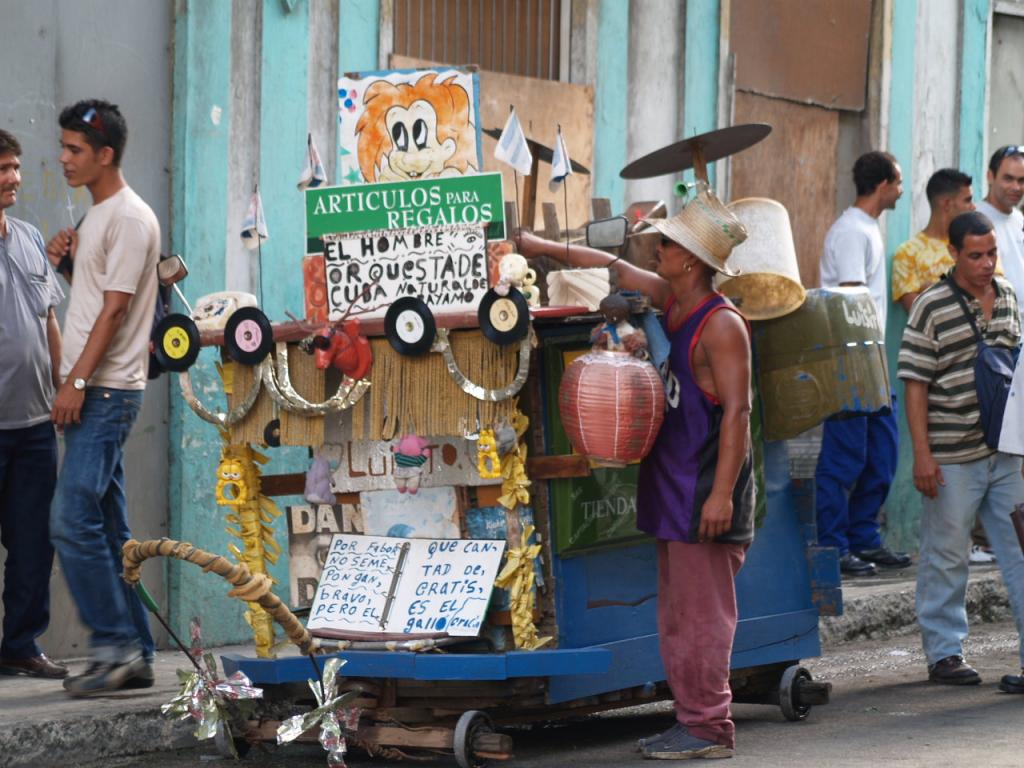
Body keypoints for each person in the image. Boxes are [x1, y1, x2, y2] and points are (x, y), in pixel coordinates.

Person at [517, 184, 754, 760]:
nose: (658, 250)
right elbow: (611, 266)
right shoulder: (672, 299)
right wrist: (536, 246)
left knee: (702, 618)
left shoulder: (722, 325)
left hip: (705, 488)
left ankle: (710, 728)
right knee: (676, 616)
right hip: (673, 482)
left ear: (691, 260)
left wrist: (722, 495)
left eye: (668, 245)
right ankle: (692, 720)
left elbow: (739, 414)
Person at [44, 100, 159, 697]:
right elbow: (97, 298)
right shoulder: (99, 217)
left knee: (69, 520)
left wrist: (76, 382)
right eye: (64, 147)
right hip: (96, 389)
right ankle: (135, 652)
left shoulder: (131, 218)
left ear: (105, 154)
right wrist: (67, 266)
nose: (64, 159)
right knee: (111, 531)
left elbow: (116, 314)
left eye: (75, 150)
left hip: (106, 392)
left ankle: (114, 645)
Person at [898, 210, 1024, 691]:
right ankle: (945, 653)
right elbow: (915, 382)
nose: (986, 263)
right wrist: (922, 455)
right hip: (951, 456)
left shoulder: (1008, 296)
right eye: (975, 255)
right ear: (952, 254)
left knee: (1021, 555)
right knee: (946, 556)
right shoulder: (930, 306)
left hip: (1006, 456)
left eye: (992, 253)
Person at [891, 168, 996, 565]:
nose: (973, 205)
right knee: (945, 510)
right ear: (947, 203)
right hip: (943, 401)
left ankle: (984, 542)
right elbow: (919, 312)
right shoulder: (909, 254)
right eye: (968, 199)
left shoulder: (983, 250)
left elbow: (993, 304)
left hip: (988, 400)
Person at [816, 151, 911, 577]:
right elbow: (850, 300)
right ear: (884, 184)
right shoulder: (852, 231)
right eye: (899, 182)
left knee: (881, 455)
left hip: (871, 360)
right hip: (850, 359)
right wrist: (861, 362)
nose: (901, 191)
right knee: (844, 458)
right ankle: (833, 546)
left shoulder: (867, 228)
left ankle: (864, 538)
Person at [0, 130, 68, 680]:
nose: (14, 178)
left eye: (16, 167)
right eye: (3, 169)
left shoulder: (27, 237)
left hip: (35, 425)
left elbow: (49, 320)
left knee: (32, 543)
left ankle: (20, 645)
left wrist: (65, 385)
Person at [975, 145, 1024, 303]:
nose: (1016, 187)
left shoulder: (1019, 218)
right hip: (998, 315)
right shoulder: (975, 218)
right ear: (990, 176)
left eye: (1022, 180)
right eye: (1008, 178)